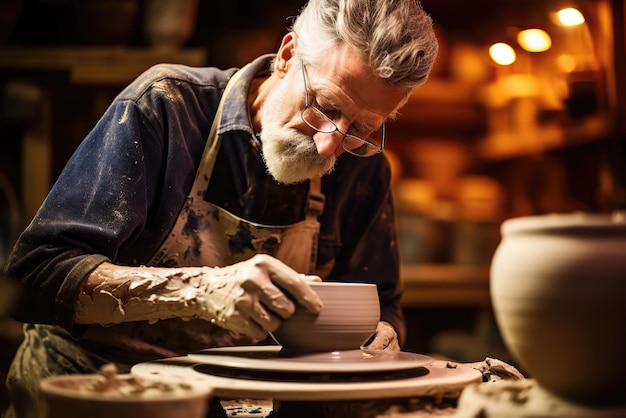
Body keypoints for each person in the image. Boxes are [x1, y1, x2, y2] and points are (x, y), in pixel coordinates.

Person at [2, 0, 438, 416]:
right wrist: (199, 290)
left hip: (237, 404)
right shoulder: (167, 106)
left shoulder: (362, 169)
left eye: (363, 128)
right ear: (286, 56)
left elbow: (383, 307)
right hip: (95, 393)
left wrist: (382, 338)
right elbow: (34, 276)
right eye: (324, 106)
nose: (331, 143)